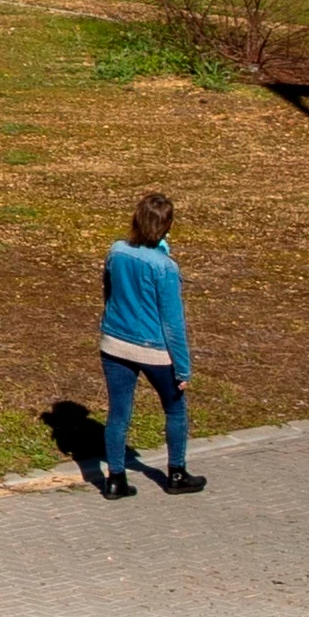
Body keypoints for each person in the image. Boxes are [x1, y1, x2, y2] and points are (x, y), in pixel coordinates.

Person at [94, 190, 200, 499]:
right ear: (167, 227)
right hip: (153, 349)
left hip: (114, 343)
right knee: (175, 409)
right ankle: (176, 473)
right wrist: (182, 369)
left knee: (118, 413)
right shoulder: (165, 267)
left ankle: (114, 479)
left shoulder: (117, 251)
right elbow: (173, 323)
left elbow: (108, 291)